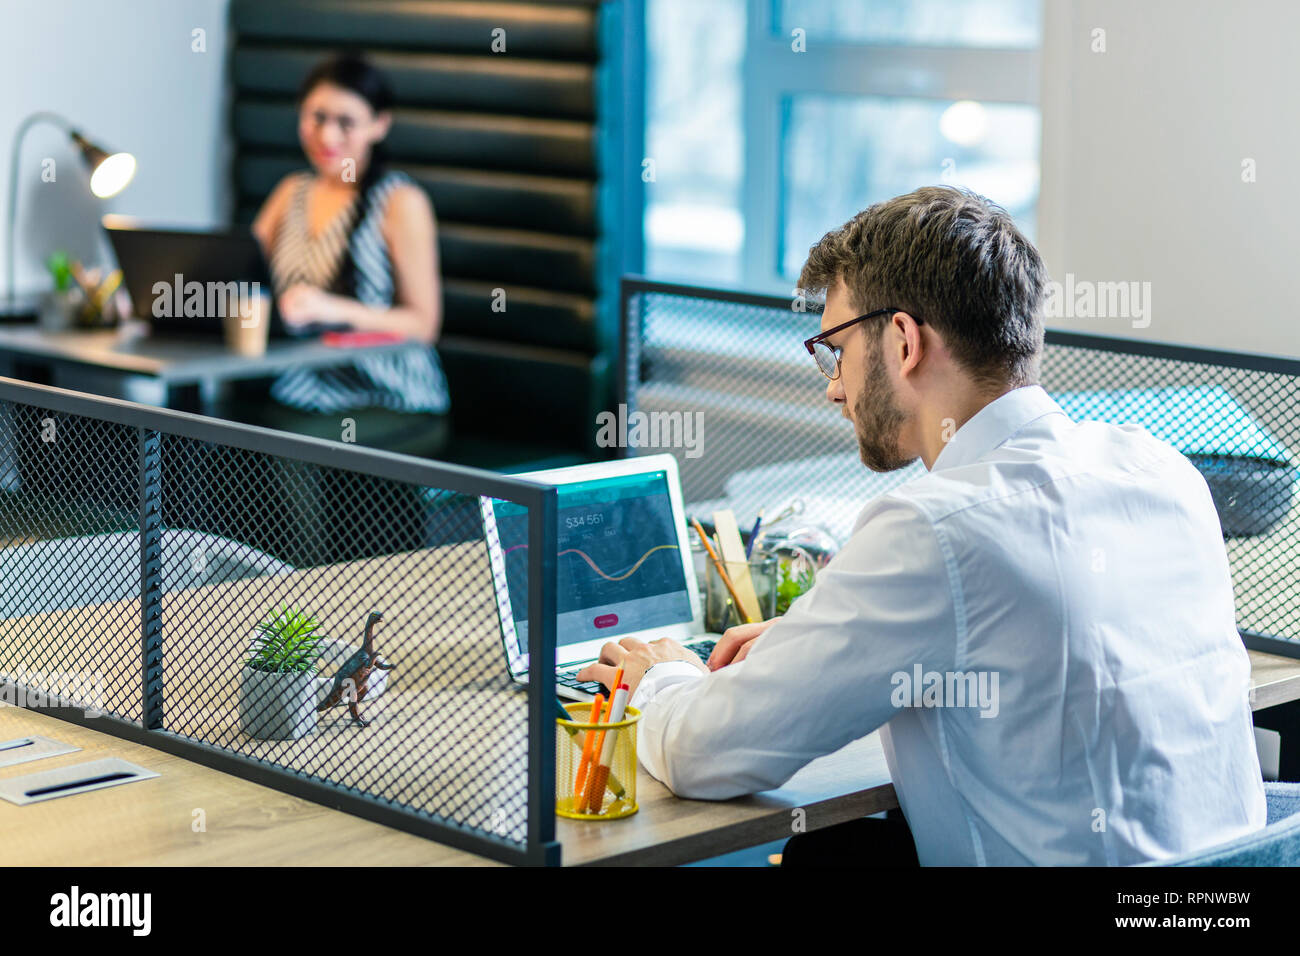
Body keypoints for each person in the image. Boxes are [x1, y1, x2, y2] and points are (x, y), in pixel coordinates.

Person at [577, 186, 1266, 866]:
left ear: (903, 341)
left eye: (836, 349)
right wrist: (816, 641)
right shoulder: (1161, 470)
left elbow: (704, 754)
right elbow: (1044, 640)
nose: (833, 386)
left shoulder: (936, 532)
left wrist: (662, 678)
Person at [241, 52, 450, 457]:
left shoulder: (399, 201)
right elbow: (235, 270)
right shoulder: (291, 192)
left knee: (294, 448)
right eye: (316, 118)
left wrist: (330, 308)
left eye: (345, 123)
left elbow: (423, 325)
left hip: (391, 398)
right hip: (303, 393)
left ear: (379, 125)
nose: (327, 137)